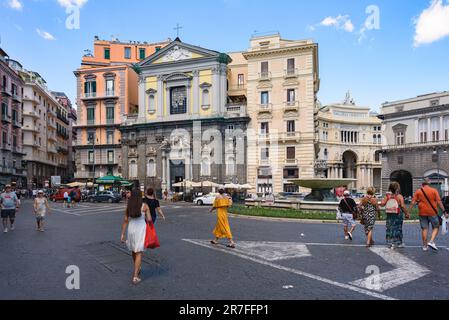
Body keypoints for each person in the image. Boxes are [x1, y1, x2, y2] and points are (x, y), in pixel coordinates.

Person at [120, 189, 152, 285]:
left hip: (131, 228)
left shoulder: (129, 205)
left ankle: (137, 267)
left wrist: (122, 234)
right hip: (140, 229)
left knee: (133, 250)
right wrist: (146, 216)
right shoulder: (144, 206)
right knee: (139, 252)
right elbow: (149, 219)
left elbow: (125, 220)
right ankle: (135, 276)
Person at [409, 179, 448, 251]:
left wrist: (408, 212)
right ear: (428, 183)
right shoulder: (434, 190)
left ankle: (424, 246)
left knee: (424, 229)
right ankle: (431, 241)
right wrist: (444, 211)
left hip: (422, 212)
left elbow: (413, 202)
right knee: (436, 227)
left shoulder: (418, 191)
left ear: (422, 184)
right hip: (432, 212)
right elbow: (439, 202)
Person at [380, 182, 410, 249]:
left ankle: (389, 242)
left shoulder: (387, 196)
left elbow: (382, 204)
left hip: (389, 214)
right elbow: (402, 206)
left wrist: (387, 197)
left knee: (389, 227)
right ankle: (398, 242)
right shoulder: (399, 196)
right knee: (398, 228)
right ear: (397, 188)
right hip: (397, 214)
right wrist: (407, 213)